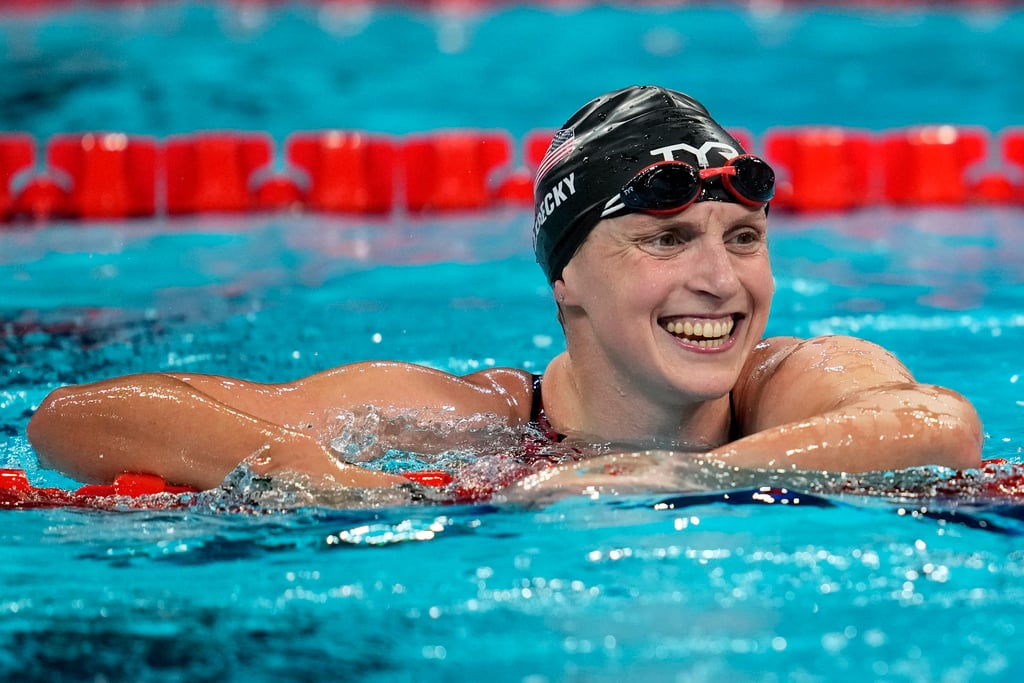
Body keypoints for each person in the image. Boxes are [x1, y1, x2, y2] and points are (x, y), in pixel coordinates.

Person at [26, 85, 983, 496]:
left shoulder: (790, 384)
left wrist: (681, 475)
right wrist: (295, 463)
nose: (721, 280)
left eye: (743, 238)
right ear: (564, 275)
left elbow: (940, 424)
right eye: (666, 239)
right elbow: (73, 416)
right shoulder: (477, 418)